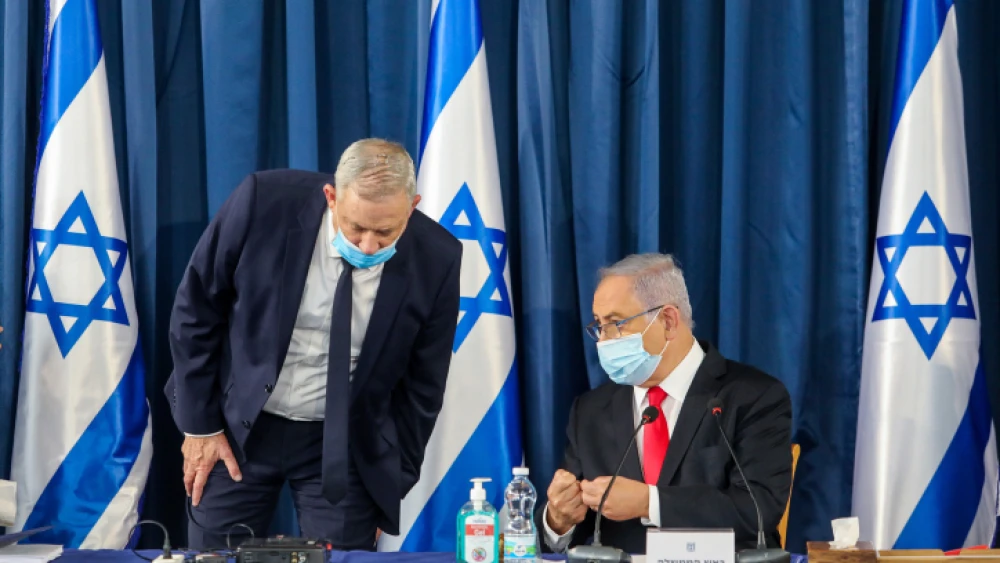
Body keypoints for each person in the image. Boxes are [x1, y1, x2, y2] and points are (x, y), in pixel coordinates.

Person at [165, 139, 462, 550]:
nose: (369, 246)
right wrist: (200, 427)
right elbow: (196, 310)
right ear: (331, 197)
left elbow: (423, 387)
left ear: (412, 207)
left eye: (385, 231)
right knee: (212, 555)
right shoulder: (263, 202)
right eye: (356, 227)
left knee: (343, 560)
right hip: (236, 423)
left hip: (344, 441)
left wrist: (389, 484)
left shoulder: (438, 257)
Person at [538, 253, 792, 554]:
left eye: (616, 324)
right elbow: (573, 525)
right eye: (599, 326)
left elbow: (758, 509)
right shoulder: (591, 410)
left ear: (669, 321)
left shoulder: (753, 396)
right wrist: (558, 519)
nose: (603, 341)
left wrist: (649, 502)